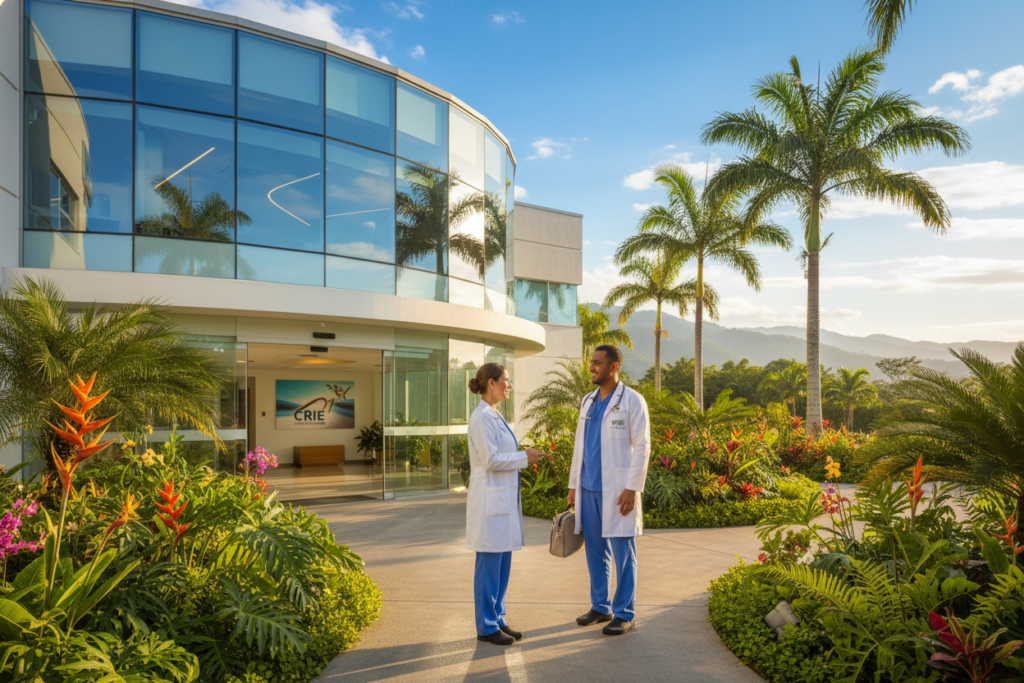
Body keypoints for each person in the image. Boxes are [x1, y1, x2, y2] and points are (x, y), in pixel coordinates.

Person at [567, 344, 650, 635]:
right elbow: (580, 445)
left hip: (617, 490)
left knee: (622, 551)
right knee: (595, 549)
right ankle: (600, 607)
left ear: (614, 367)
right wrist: (573, 485)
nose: (592, 367)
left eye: (598, 363)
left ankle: (625, 612)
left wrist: (632, 487)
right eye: (591, 362)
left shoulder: (632, 401)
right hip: (588, 487)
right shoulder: (588, 401)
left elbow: (642, 446)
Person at [466, 363, 550, 645]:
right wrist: (524, 457)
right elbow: (490, 460)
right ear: (491, 383)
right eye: (506, 380)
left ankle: (498, 618)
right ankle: (486, 626)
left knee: (502, 564)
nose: (509, 385)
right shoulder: (481, 418)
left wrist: (524, 456)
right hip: (489, 500)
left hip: (500, 501)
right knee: (489, 563)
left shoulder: (495, 415)